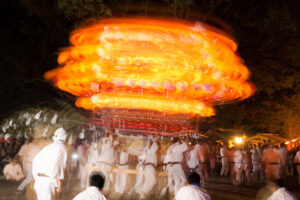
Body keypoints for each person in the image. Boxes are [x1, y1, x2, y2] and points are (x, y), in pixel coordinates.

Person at [32, 127, 68, 200]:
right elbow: (60, 166)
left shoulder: (47, 148)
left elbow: (35, 161)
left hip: (38, 181)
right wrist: (59, 185)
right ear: (64, 138)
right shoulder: (61, 148)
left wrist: (37, 178)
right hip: (48, 182)